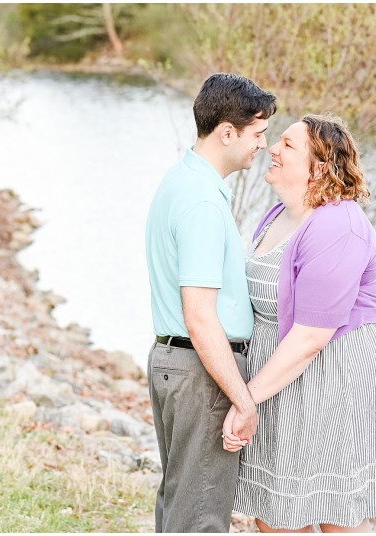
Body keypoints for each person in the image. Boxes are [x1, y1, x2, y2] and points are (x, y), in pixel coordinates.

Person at [222, 113, 376, 533]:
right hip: (285, 379)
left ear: (320, 166)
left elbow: (311, 336)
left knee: (332, 517)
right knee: (275, 515)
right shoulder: (276, 215)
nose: (272, 147)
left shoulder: (338, 226)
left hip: (335, 378)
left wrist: (246, 398)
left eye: (287, 145)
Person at [145, 73, 277, 533]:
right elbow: (200, 317)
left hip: (177, 362)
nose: (264, 144)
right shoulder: (202, 202)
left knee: (181, 502)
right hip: (202, 371)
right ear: (228, 132)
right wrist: (244, 401)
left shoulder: (182, 180)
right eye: (258, 133)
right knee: (200, 516)